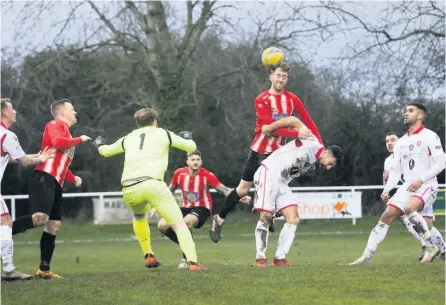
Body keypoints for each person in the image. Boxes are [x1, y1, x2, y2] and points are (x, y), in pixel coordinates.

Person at [210, 62, 321, 243]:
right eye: (278, 75)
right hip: (260, 151)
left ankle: (268, 219)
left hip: (278, 155)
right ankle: (219, 219)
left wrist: (319, 145)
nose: (281, 79)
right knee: (243, 189)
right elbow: (269, 130)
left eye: (284, 77)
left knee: (275, 189)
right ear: (271, 76)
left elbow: (308, 120)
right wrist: (297, 133)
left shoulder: (292, 99)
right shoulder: (261, 99)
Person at [93, 107, 206, 271]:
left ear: (138, 124)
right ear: (155, 122)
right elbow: (190, 147)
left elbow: (106, 151)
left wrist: (99, 144)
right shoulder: (163, 133)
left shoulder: (128, 138)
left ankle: (148, 255)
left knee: (139, 217)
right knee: (179, 224)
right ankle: (193, 263)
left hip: (129, 188)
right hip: (153, 185)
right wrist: (187, 137)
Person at [349, 102, 446, 265]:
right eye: (405, 110)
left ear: (420, 116)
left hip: (427, 184)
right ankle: (366, 256)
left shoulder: (430, 136)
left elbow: (441, 163)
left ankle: (430, 247)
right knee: (387, 215)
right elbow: (396, 171)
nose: (406, 113)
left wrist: (421, 179)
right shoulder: (401, 142)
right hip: (408, 186)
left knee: (409, 209)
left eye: (411, 111)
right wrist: (387, 189)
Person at [11, 99, 91, 279]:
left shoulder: (66, 133)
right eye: (72, 109)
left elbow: (60, 162)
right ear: (62, 113)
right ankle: (5, 229)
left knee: (53, 225)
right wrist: (80, 139)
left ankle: (44, 270)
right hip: (43, 178)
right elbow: (57, 142)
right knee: (41, 218)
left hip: (55, 181)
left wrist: (72, 178)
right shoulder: (55, 124)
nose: (75, 112)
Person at [253, 116, 343, 267]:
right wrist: (270, 127)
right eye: (330, 163)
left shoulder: (314, 163)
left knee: (293, 218)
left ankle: (279, 258)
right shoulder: (312, 142)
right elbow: (294, 120)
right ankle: (260, 258)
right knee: (266, 217)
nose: (328, 167)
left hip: (281, 182)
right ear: (327, 152)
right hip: (269, 173)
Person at [157, 150, 251, 269]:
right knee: (162, 225)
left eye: (198, 160)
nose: (195, 162)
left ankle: (186, 258)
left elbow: (223, 189)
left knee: (185, 223)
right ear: (187, 162)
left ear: (201, 162)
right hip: (185, 207)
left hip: (202, 208)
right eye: (193, 160)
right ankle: (188, 245)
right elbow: (169, 190)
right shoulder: (179, 174)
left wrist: (238, 196)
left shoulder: (207, 175)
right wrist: (158, 204)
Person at [0, 98, 54, 281]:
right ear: (5, 112)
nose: (15, 111)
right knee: (5, 222)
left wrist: (36, 156)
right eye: (12, 108)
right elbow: (23, 162)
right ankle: (8, 270)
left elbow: (13, 157)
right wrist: (40, 159)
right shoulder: (7, 135)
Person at [383, 132, 445, 260]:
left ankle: (431, 246)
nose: (389, 143)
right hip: (408, 192)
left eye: (393, 140)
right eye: (387, 141)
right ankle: (437, 248)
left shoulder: (412, 152)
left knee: (421, 222)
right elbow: (391, 179)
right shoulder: (388, 161)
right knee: (418, 222)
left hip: (424, 189)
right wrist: (387, 189)